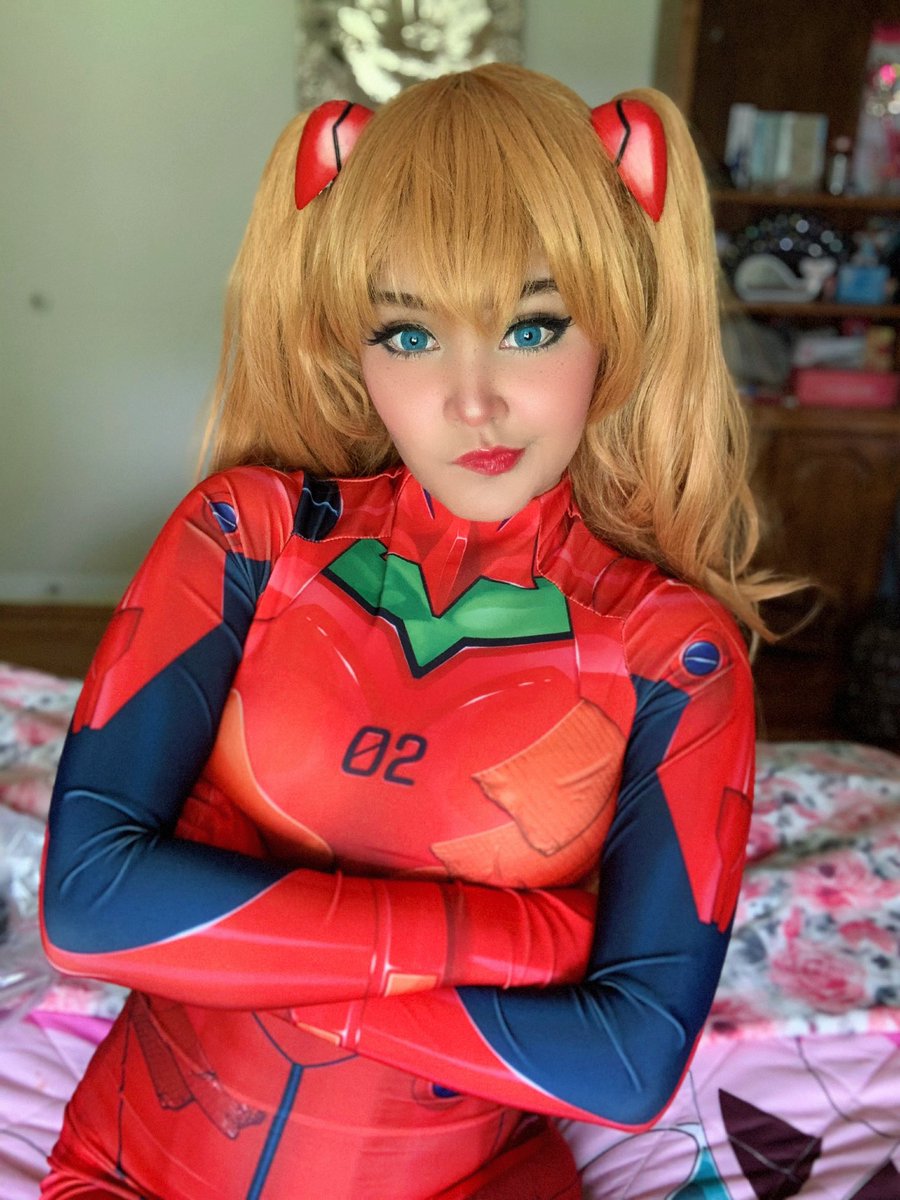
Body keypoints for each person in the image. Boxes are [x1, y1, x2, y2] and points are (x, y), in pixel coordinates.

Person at [40, 63, 786, 1199]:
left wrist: (246, 959)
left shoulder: (672, 654)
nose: (472, 399)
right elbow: (89, 909)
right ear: (352, 343)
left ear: (617, 326)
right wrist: (524, 940)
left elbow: (629, 1062)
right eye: (408, 333)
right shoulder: (248, 536)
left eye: (533, 326)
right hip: (125, 1173)